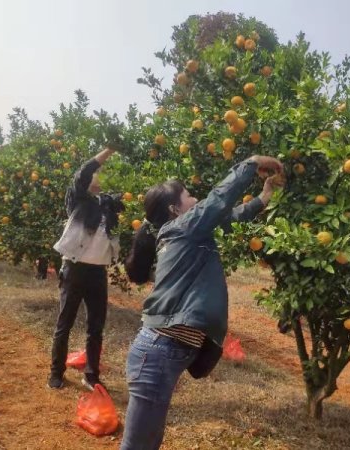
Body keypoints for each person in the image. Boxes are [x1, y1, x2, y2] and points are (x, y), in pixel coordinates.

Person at [120, 155, 284, 450]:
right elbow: (218, 200)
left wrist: (263, 197)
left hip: (162, 351)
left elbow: (229, 217)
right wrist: (250, 163)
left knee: (149, 441)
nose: (195, 199)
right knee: (138, 445)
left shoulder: (190, 232)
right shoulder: (182, 228)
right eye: (188, 195)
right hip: (157, 350)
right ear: (175, 209)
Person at [48, 146, 124, 390]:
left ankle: (91, 375)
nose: (97, 176)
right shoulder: (78, 199)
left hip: (97, 272)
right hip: (75, 268)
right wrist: (109, 150)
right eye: (96, 173)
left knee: (96, 327)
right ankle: (56, 372)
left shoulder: (110, 205)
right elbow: (83, 173)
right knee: (65, 324)